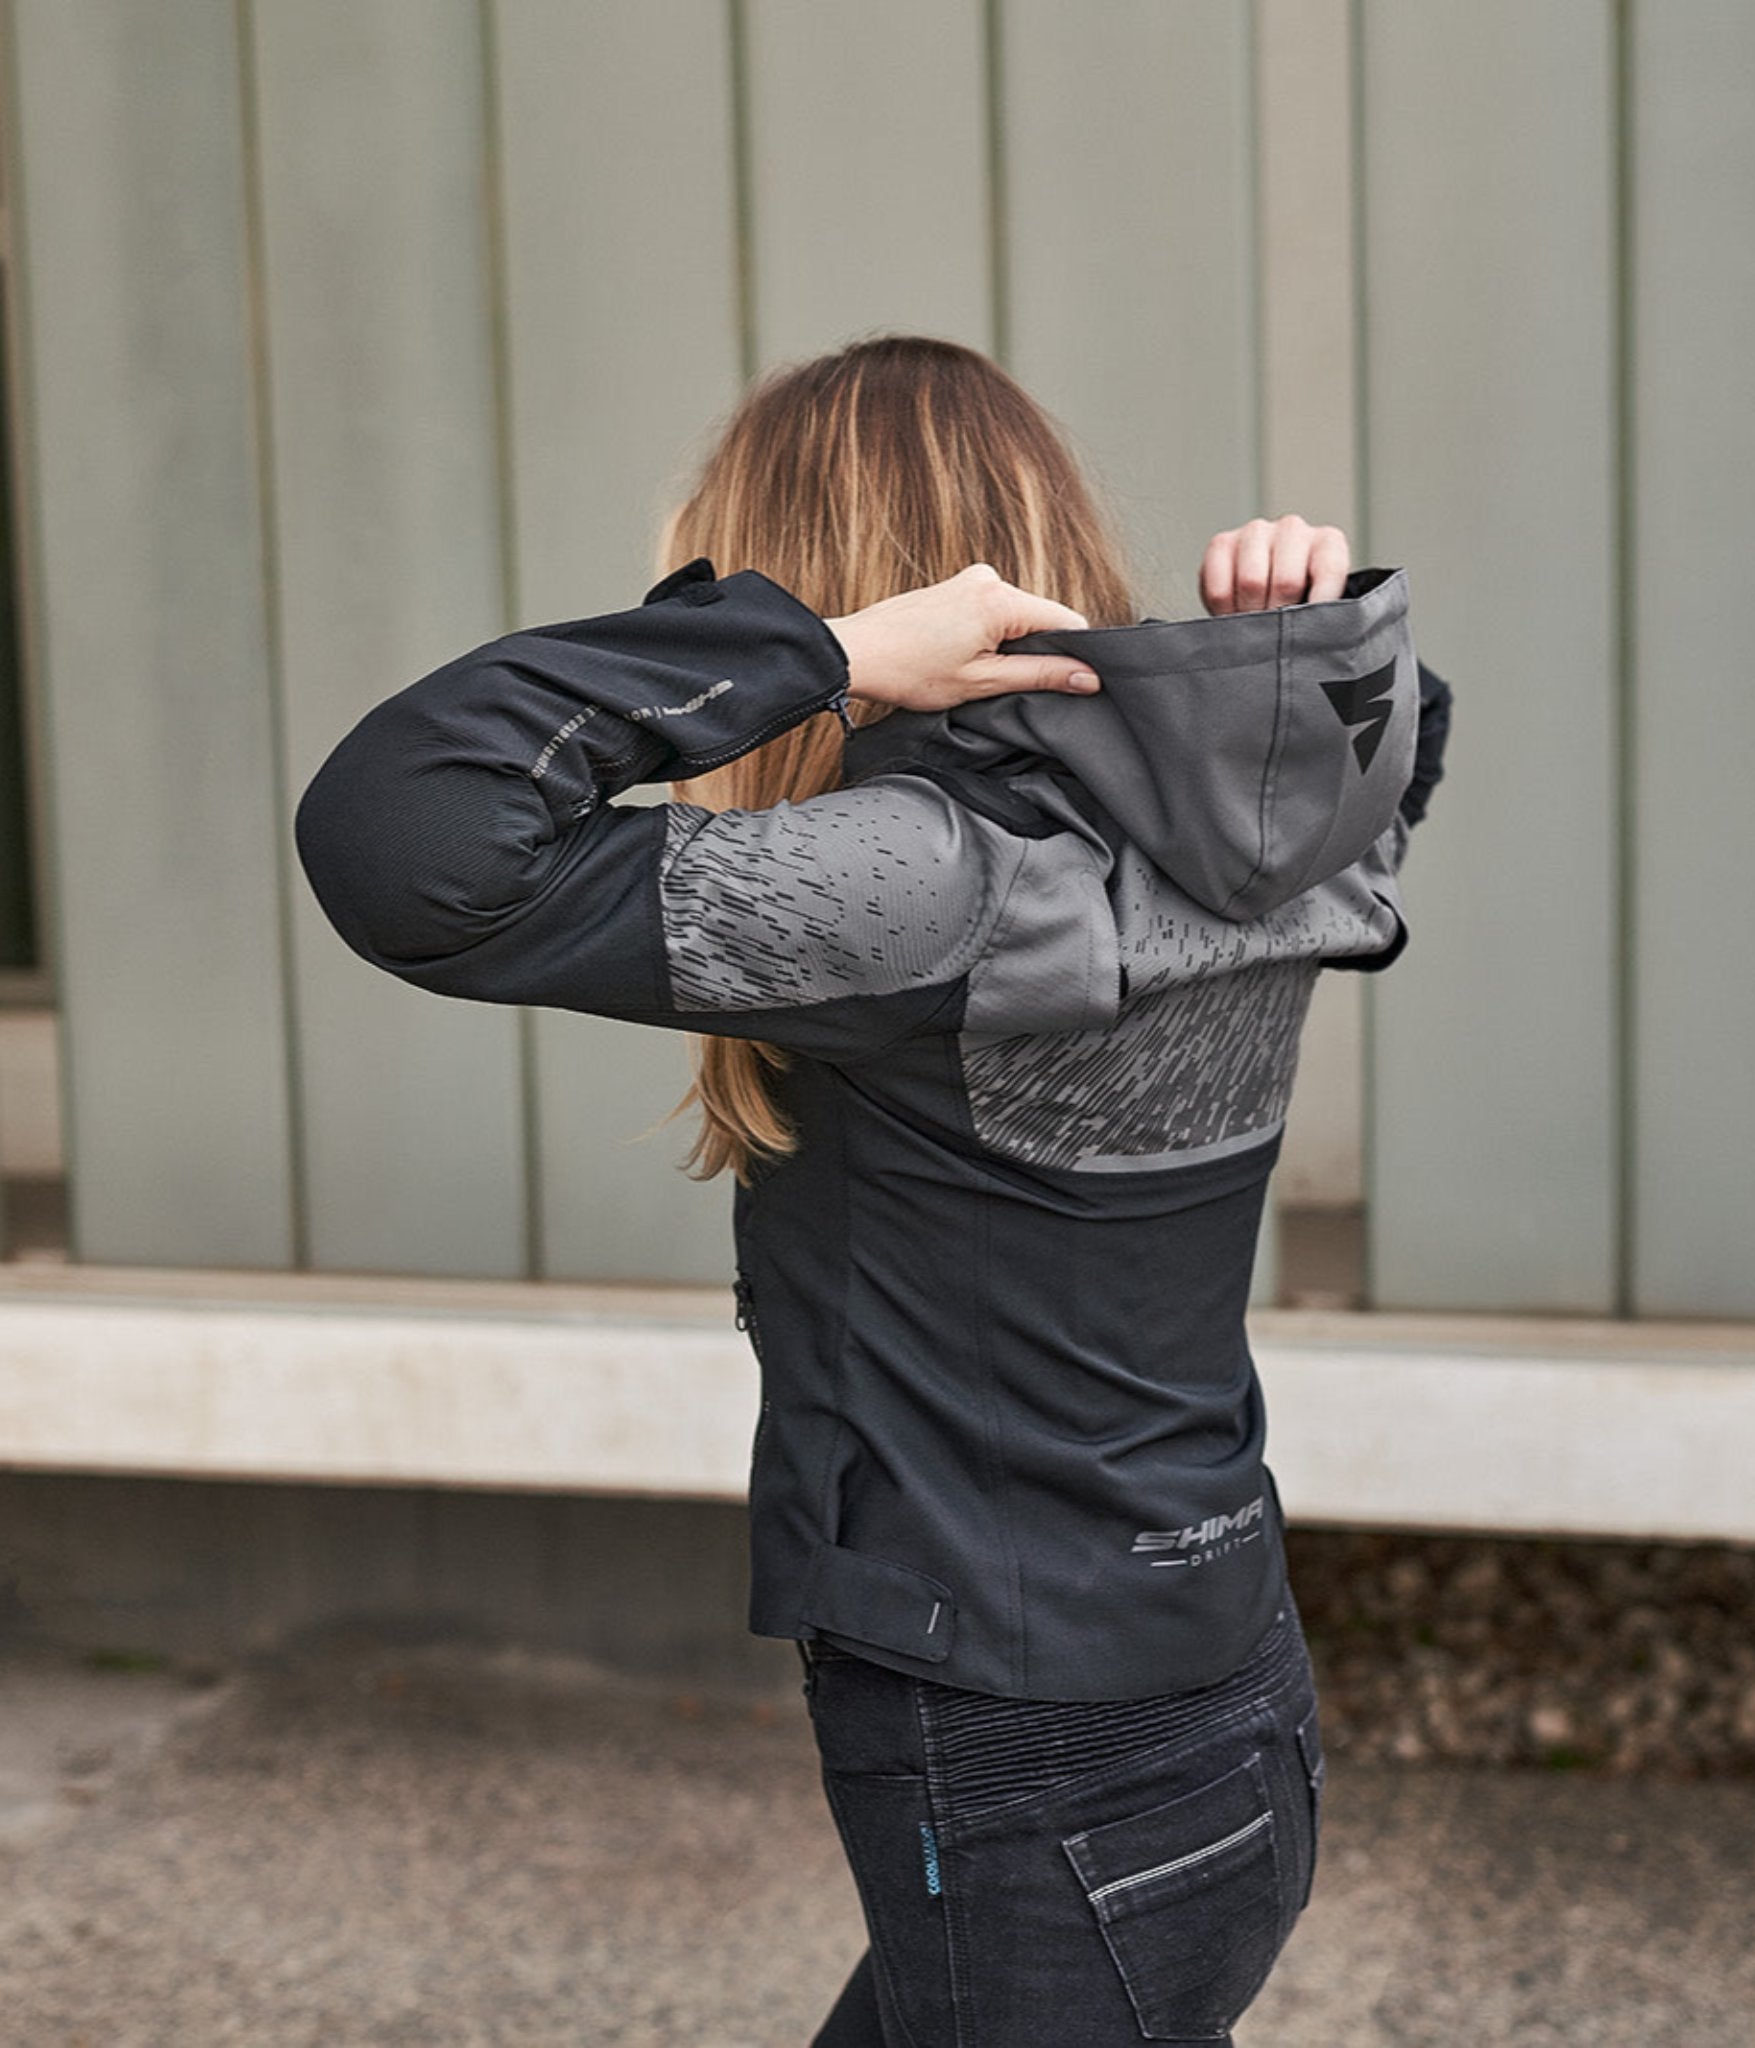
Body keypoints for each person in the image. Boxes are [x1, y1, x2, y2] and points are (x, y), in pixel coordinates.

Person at [296, 336, 1450, 2047]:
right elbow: (1401, 742)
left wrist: (819, 655)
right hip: (1224, 1708)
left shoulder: (931, 882)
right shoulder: (1247, 840)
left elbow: (406, 836)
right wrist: (1296, 634)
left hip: (1031, 1766)